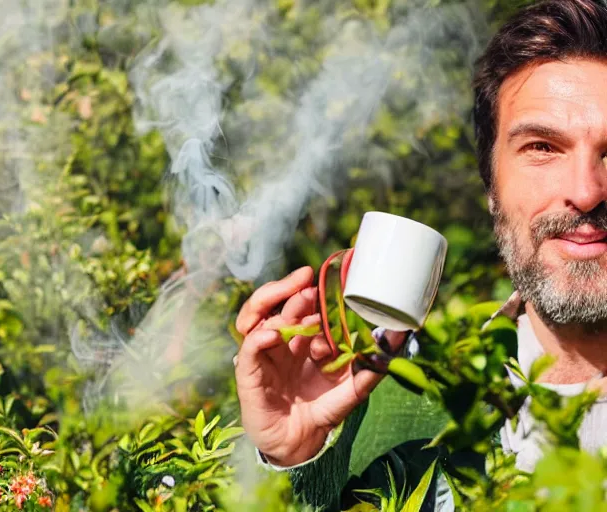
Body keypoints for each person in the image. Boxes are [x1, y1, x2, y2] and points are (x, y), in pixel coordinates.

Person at [234, 0, 607, 509]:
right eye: (542, 147)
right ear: (491, 186)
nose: (586, 192)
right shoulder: (386, 402)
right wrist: (296, 458)